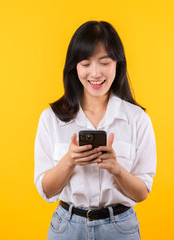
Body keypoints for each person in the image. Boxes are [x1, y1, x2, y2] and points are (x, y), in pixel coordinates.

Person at [34, 20, 157, 240]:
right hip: (67, 229)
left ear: (117, 64)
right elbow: (46, 190)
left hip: (120, 229)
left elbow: (142, 192)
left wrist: (116, 169)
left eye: (104, 62)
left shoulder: (138, 119)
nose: (96, 73)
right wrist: (69, 160)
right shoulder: (51, 118)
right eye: (86, 63)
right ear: (75, 67)